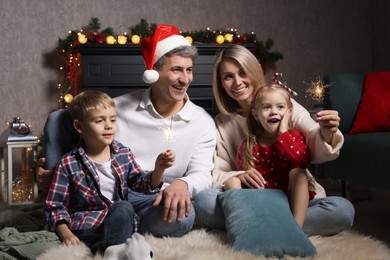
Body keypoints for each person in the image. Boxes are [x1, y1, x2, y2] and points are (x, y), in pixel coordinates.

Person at [38, 24, 217, 237]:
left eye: (189, 70)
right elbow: (88, 141)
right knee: (59, 118)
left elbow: (203, 173)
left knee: (182, 217)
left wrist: (183, 184)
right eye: (176, 69)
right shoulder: (118, 108)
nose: (185, 79)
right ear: (155, 72)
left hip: (155, 198)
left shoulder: (202, 122)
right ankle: (60, 200)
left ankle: (106, 225)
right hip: (112, 191)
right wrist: (59, 172)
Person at [194, 44, 355, 236]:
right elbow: (219, 173)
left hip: (295, 199)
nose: (237, 82)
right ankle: (279, 226)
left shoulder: (284, 105)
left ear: (254, 72)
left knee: (343, 210)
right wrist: (237, 175)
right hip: (253, 199)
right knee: (204, 201)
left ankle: (259, 226)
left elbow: (313, 141)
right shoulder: (222, 123)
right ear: (221, 83)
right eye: (228, 76)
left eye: (242, 73)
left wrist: (327, 132)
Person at [45, 90, 175, 254]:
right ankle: (116, 249)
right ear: (79, 126)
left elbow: (142, 184)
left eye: (113, 120)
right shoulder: (68, 163)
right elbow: (56, 207)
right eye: (99, 121)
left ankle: (110, 250)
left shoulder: (123, 153)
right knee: (125, 215)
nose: (108, 126)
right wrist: (67, 235)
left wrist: (159, 168)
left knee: (123, 207)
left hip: (119, 221)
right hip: (88, 227)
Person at [225, 82, 317, 227]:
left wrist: (283, 134)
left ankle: (295, 228)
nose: (274, 112)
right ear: (256, 114)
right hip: (260, 202)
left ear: (289, 111)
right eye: (266, 107)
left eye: (280, 107)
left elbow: (301, 162)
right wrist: (243, 175)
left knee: (299, 173)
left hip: (289, 199)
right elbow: (246, 178)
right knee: (231, 181)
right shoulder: (249, 144)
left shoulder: (294, 137)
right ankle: (248, 223)